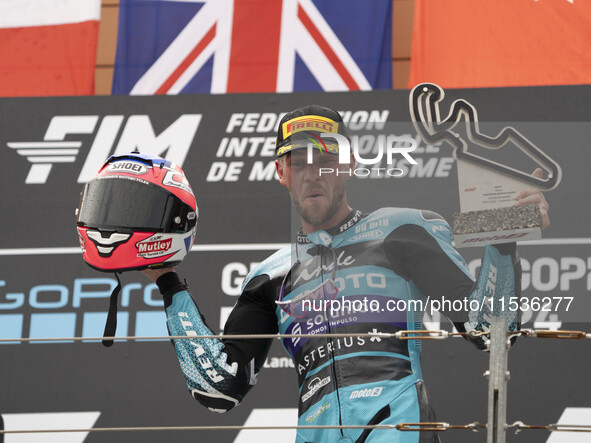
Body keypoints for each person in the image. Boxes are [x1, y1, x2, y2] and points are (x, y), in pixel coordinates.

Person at [142, 105, 550, 443]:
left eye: (326, 159)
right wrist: (168, 281)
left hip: (401, 429)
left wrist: (503, 242)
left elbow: (489, 328)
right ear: (281, 173)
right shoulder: (269, 275)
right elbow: (218, 390)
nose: (312, 172)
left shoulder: (403, 230)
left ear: (350, 164)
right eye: (297, 162)